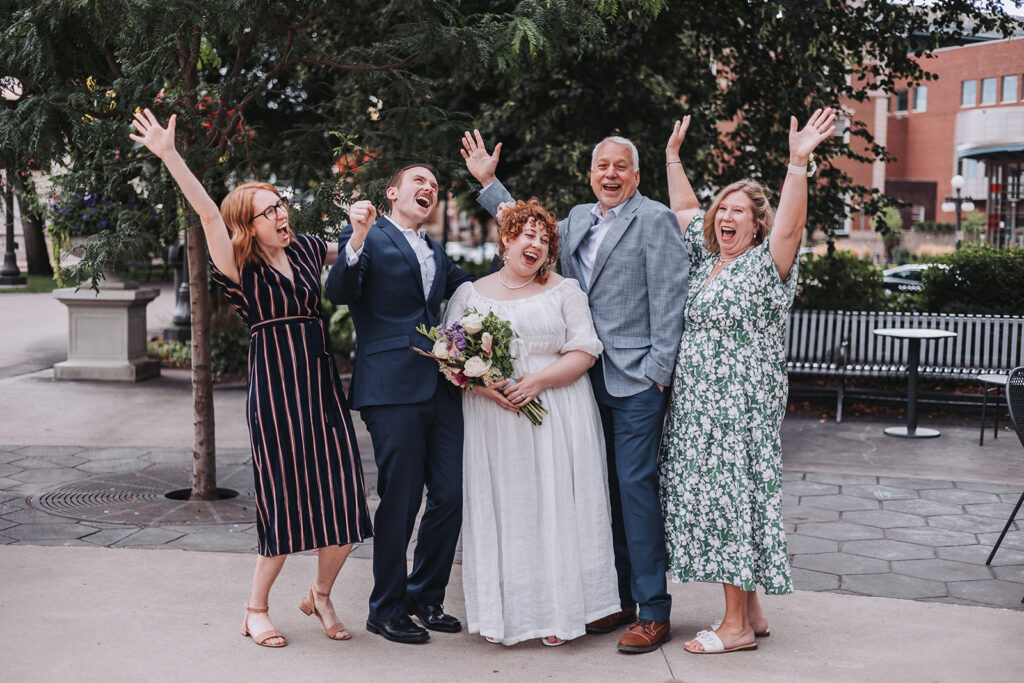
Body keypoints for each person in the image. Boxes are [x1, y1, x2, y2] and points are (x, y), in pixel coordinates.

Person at [129, 109, 374, 648]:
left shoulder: (306, 249)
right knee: (283, 504)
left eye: (281, 204)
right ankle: (255, 610)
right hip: (276, 394)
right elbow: (207, 214)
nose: (281, 214)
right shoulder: (238, 266)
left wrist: (365, 225)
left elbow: (358, 252)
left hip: (321, 387)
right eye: (269, 210)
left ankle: (321, 594)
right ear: (249, 224)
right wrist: (170, 155)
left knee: (345, 502)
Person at [462, 131, 689, 654]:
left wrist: (658, 374)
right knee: (600, 490)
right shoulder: (580, 218)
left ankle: (654, 610)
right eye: (602, 165)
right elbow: (528, 231)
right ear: (591, 174)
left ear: (636, 175)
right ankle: (618, 599)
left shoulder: (654, 219)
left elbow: (670, 300)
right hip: (582, 383)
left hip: (635, 381)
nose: (610, 174)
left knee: (635, 488)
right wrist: (489, 183)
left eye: (620, 166)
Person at [658, 108, 836, 654]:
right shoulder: (705, 261)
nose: (725, 217)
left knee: (733, 503)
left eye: (739, 211)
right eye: (723, 210)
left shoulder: (765, 265)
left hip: (738, 410)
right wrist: (671, 157)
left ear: (757, 225)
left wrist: (798, 163)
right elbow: (684, 209)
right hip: (698, 411)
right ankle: (752, 612)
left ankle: (733, 627)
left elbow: (792, 226)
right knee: (727, 501)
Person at [445, 199, 620, 647]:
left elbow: (585, 351)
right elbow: (451, 357)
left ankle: (560, 612)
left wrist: (537, 382)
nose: (537, 245)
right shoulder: (470, 293)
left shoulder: (565, 290)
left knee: (555, 507)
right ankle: (506, 614)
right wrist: (485, 387)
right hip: (494, 418)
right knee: (509, 509)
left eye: (545, 240)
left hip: (557, 410)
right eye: (528, 235)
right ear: (506, 239)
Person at [324, 163, 474, 644]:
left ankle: (424, 596)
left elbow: (480, 284)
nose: (429, 188)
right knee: (401, 500)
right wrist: (356, 236)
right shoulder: (368, 235)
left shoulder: (436, 250)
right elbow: (339, 291)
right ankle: (385, 607)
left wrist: (522, 244)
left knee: (451, 494)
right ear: (392, 193)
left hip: (442, 386)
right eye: (418, 181)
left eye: (434, 185)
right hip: (390, 387)